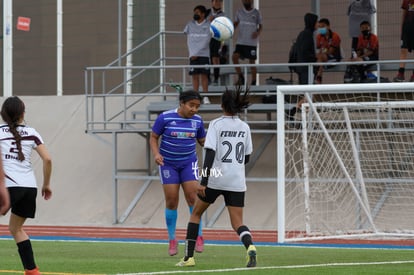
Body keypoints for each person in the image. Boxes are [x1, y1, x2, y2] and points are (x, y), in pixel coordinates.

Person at [176, 86, 257, 268]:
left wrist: (203, 181)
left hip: (215, 177)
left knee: (196, 214)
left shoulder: (216, 124)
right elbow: (246, 157)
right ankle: (250, 246)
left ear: (222, 105)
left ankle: (189, 258)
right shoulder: (245, 127)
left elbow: (210, 153)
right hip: (236, 181)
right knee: (238, 223)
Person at [149, 90, 206, 256]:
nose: (194, 109)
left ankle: (198, 236)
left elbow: (202, 141)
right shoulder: (165, 118)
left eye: (197, 106)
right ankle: (172, 239)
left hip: (189, 163)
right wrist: (156, 154)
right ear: (181, 103)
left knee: (193, 199)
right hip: (169, 165)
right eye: (191, 105)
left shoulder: (198, 121)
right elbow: (153, 137)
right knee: (172, 200)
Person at [0, 96, 52, 275]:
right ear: (23, 114)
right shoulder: (32, 132)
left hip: (7, 186)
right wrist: (46, 185)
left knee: (15, 228)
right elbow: (48, 159)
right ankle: (32, 271)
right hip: (29, 188)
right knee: (16, 228)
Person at [287, 12, 318, 122]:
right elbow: (306, 53)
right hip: (306, 70)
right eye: (316, 22)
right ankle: (295, 112)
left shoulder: (302, 34)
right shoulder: (307, 35)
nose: (317, 25)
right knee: (309, 95)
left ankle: (298, 114)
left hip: (302, 69)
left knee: (309, 95)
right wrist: (315, 58)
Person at [184, 5, 212, 104]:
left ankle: (205, 97)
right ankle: (195, 97)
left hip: (204, 55)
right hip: (193, 55)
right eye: (194, 12)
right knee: (194, 76)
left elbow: (207, 41)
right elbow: (188, 38)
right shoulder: (189, 24)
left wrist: (198, 52)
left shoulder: (208, 25)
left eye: (198, 12)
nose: (195, 14)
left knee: (204, 76)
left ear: (203, 14)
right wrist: (192, 53)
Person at [232, 0, 263, 86]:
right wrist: (230, 28)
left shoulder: (256, 13)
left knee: (252, 62)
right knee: (234, 57)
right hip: (241, 41)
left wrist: (257, 33)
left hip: (251, 43)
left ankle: (253, 82)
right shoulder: (239, 12)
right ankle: (241, 77)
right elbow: (235, 23)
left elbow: (260, 26)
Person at [314, 18, 342, 84]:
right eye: (319, 27)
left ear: (328, 26)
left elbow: (330, 51)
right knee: (317, 57)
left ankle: (318, 77)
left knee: (320, 57)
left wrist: (321, 53)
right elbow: (318, 49)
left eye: (323, 26)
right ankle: (317, 77)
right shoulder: (319, 37)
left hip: (334, 58)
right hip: (323, 59)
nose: (321, 29)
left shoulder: (335, 36)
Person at [394, 0, 414, 82]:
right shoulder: (406, 1)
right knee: (403, 49)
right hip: (407, 28)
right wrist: (402, 28)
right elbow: (404, 13)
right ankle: (401, 74)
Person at [207, 0, 225, 85]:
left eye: (219, 1)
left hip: (216, 38)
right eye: (216, 1)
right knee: (206, 58)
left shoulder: (222, 14)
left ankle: (216, 78)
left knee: (215, 58)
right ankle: (208, 78)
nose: (218, 3)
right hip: (206, 38)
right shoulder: (207, 12)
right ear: (212, 2)